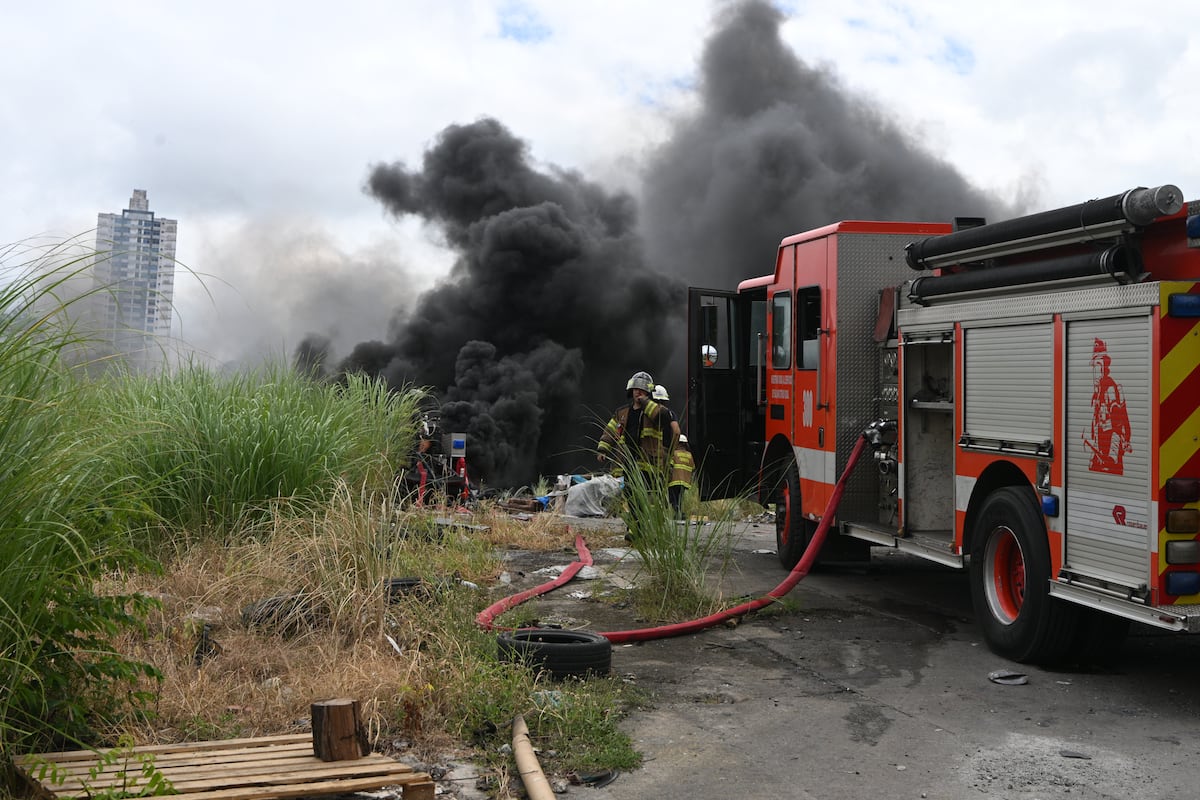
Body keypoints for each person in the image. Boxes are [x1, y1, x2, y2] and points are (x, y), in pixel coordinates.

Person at [597, 371, 673, 539]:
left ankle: (643, 530)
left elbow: (663, 418)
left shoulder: (655, 409)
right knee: (631, 496)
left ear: (648, 393)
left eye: (643, 390)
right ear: (630, 390)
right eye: (636, 389)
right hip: (629, 462)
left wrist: (646, 402)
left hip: (649, 463)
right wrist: (603, 448)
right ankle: (635, 529)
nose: (639, 392)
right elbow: (610, 430)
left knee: (646, 497)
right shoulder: (622, 413)